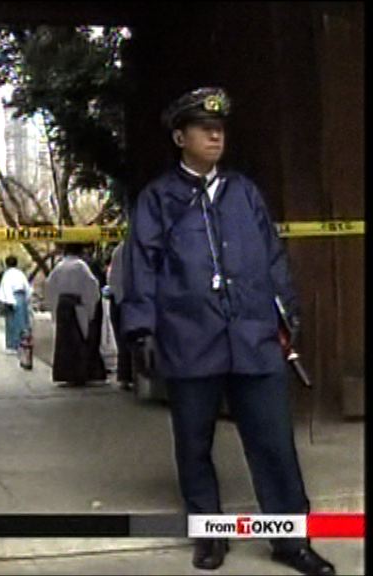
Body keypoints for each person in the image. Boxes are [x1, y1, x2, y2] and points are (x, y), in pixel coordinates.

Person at [121, 87, 334, 575]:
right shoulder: (158, 199)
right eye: (202, 127)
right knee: (193, 444)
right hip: (189, 338)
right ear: (180, 137)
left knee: (274, 443)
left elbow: (273, 259)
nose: (215, 134)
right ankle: (209, 535)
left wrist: (286, 316)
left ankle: (290, 541)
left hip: (253, 338)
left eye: (220, 128)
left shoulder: (244, 193)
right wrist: (142, 331)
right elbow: (142, 268)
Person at [45, 243, 106, 386]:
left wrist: (53, 308)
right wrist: (90, 307)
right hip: (77, 305)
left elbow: (49, 287)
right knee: (80, 339)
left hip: (62, 306)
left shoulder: (59, 267)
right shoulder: (80, 266)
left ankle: (66, 374)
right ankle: (81, 374)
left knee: (64, 342)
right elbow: (92, 286)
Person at [107, 241, 133, 390]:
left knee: (123, 342)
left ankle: (125, 376)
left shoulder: (119, 250)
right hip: (128, 300)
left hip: (120, 300)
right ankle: (131, 375)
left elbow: (113, 278)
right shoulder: (132, 248)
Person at [0, 255, 32, 354]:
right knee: (22, 322)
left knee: (11, 323)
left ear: (6, 263)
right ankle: (22, 343)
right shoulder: (20, 273)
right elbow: (27, 288)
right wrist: (27, 299)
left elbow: (6, 288)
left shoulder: (7, 274)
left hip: (12, 298)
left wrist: (10, 301)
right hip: (21, 297)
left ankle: (12, 345)